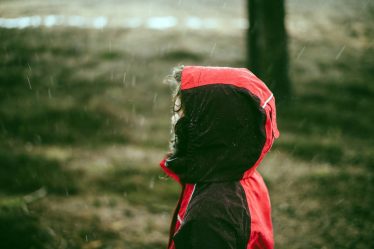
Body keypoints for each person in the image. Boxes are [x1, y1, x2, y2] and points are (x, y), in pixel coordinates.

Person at [160, 65, 280, 249]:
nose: (176, 119)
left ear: (212, 126)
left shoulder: (210, 215)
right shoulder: (241, 175)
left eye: (183, 111)